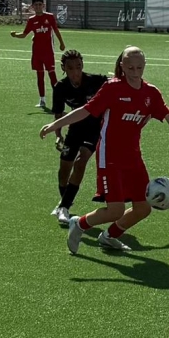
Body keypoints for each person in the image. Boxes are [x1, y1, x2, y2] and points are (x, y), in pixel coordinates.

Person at [40, 46, 169, 254]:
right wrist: (55, 125)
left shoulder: (150, 93)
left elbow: (167, 114)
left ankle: (109, 236)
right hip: (110, 157)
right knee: (115, 210)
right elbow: (85, 111)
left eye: (139, 67)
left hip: (134, 158)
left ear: (145, 66)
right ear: (122, 66)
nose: (135, 72)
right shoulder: (112, 88)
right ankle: (79, 224)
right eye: (130, 67)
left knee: (143, 208)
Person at [45, 50, 108, 225]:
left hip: (95, 128)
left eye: (78, 67)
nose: (76, 72)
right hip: (75, 127)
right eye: (71, 68)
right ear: (63, 68)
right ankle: (64, 202)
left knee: (81, 162)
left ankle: (64, 207)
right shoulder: (60, 87)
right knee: (64, 168)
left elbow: (118, 84)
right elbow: (58, 114)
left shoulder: (96, 81)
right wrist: (58, 135)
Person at [10, 0, 65, 109]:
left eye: (40, 5)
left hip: (48, 52)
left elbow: (56, 30)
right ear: (32, 7)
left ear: (43, 6)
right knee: (40, 76)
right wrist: (15, 35)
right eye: (36, 5)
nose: (38, 7)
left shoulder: (49, 17)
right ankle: (42, 99)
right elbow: (24, 34)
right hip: (37, 53)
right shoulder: (31, 20)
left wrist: (61, 43)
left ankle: (58, 99)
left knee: (52, 75)